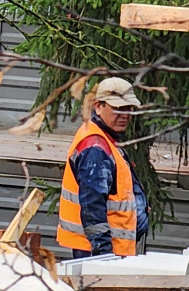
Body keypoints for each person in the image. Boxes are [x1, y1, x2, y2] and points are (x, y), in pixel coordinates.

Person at [57, 77, 149, 258]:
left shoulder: (104, 139)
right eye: (118, 108)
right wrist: (103, 255)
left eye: (128, 108)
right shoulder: (95, 148)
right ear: (98, 107)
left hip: (108, 250)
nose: (125, 115)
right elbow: (92, 208)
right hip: (100, 252)